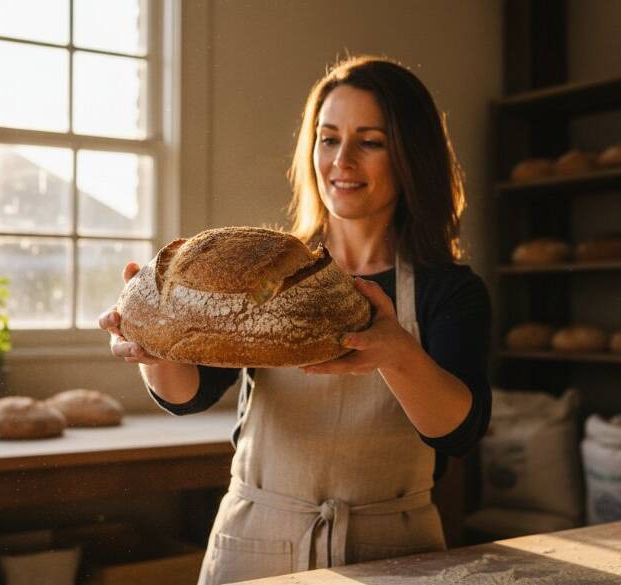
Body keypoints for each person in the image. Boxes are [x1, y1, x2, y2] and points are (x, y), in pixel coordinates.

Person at [99, 55, 491, 585]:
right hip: (259, 541)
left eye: (369, 142)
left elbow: (458, 432)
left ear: (410, 156)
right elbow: (190, 393)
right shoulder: (268, 269)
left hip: (394, 551)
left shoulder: (448, 291)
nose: (342, 161)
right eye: (328, 139)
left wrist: (398, 355)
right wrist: (152, 348)